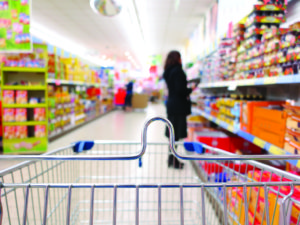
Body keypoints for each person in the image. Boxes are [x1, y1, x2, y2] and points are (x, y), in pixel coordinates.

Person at [163, 50, 193, 169]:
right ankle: (173, 160)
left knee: (172, 134)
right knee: (176, 135)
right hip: (179, 107)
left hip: (171, 105)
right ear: (177, 59)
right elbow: (181, 90)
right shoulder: (178, 71)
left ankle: (171, 159)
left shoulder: (168, 72)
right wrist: (191, 89)